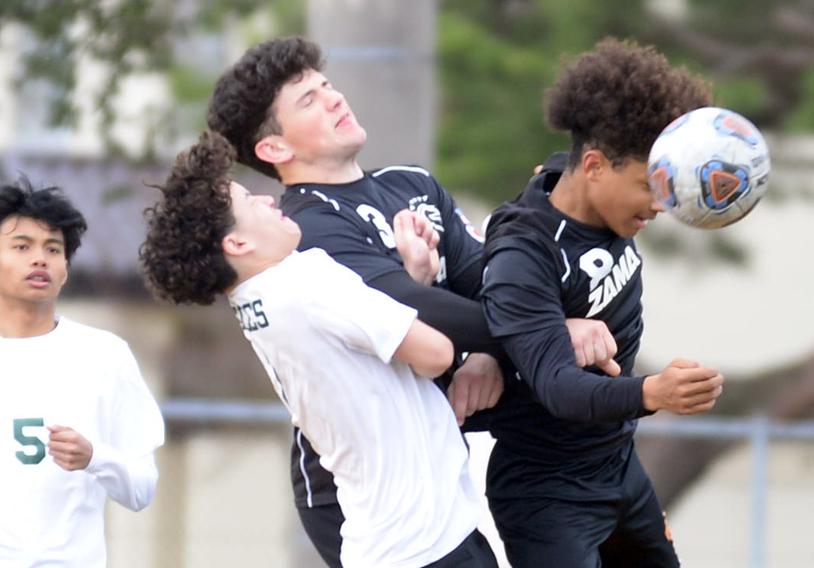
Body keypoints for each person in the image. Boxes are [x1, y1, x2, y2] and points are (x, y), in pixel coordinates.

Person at [205, 36, 619, 567]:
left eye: (326, 85)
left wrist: (487, 352)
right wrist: (547, 333)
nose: (333, 97)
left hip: (439, 458)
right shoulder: (303, 231)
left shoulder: (410, 183)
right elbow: (417, 315)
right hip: (358, 494)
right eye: (307, 100)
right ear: (275, 149)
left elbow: (489, 284)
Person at [139, 130, 498, 567]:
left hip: (399, 541)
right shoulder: (306, 279)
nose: (270, 201)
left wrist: (411, 282)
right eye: (251, 202)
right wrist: (429, 294)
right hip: (425, 544)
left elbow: (381, 362)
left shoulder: (254, 302)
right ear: (237, 244)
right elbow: (436, 355)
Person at [479, 38, 726, 567]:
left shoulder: (578, 189)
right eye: (647, 185)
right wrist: (653, 392)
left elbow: (552, 176)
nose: (661, 204)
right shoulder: (522, 257)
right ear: (593, 166)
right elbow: (559, 388)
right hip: (548, 494)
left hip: (617, 468)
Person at [0, 177, 165, 567]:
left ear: (66, 270)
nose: (39, 259)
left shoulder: (104, 356)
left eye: (53, 249)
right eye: (22, 246)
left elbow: (142, 489)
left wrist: (95, 457)